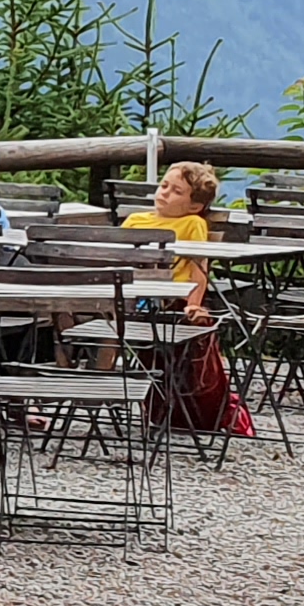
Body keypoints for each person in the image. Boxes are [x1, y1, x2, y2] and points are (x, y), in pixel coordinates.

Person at [123, 158, 255, 435]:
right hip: (134, 299)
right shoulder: (135, 220)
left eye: (176, 191)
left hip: (173, 302)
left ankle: (194, 411)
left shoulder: (192, 223)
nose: (165, 193)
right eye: (164, 186)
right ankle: (92, 378)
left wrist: (194, 304)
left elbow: (198, 267)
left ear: (195, 205)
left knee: (190, 338)